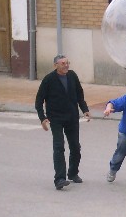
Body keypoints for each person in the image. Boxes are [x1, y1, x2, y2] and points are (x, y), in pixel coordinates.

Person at [35, 54, 91, 190]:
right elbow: (39, 100)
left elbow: (79, 94)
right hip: (56, 119)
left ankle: (72, 173)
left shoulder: (72, 76)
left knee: (75, 147)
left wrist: (85, 109)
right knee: (59, 147)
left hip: (72, 117)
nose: (66, 66)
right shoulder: (49, 80)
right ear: (56, 65)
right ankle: (59, 179)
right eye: (63, 63)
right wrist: (43, 118)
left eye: (67, 63)